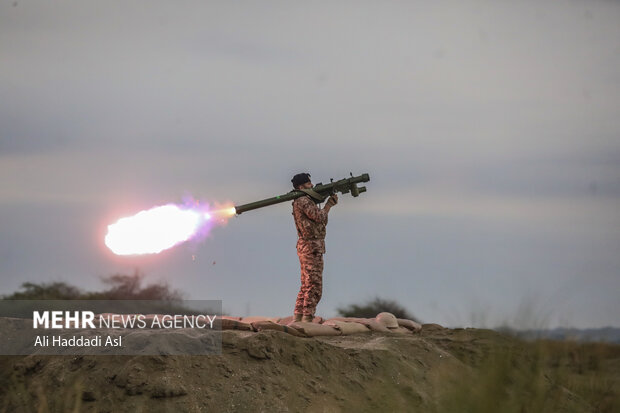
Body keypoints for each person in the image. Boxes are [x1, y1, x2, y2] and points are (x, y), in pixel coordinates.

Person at [290, 173, 338, 323]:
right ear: (301, 186)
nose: (311, 185)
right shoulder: (304, 200)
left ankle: (298, 319)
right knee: (314, 286)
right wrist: (329, 205)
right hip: (311, 247)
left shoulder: (300, 200)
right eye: (308, 183)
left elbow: (317, 221)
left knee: (306, 285)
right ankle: (307, 321)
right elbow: (320, 218)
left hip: (307, 246)